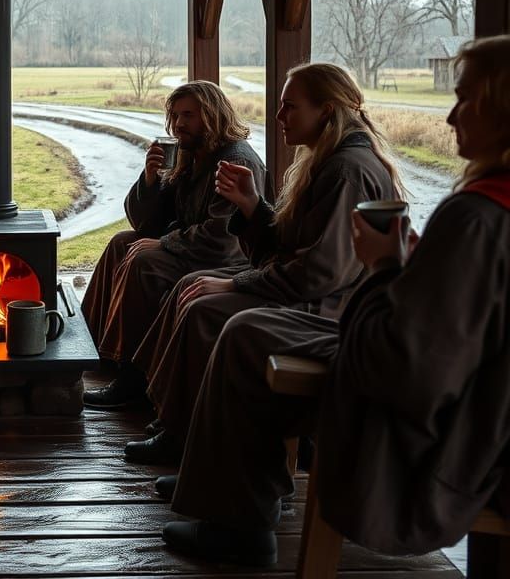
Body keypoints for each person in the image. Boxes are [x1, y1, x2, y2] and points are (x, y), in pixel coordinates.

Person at [158, 36, 510, 566]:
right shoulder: (332, 164)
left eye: (464, 98)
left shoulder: (370, 178)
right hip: (406, 358)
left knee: (237, 328)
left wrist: (385, 267)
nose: (451, 115)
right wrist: (254, 207)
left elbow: (402, 354)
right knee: (234, 324)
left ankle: (241, 519)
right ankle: (216, 481)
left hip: (388, 375)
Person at [127, 62, 402, 465]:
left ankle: (182, 434)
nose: (278, 117)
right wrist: (252, 206)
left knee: (204, 307)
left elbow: (317, 273)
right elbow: (290, 246)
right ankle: (175, 420)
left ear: (326, 111)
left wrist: (237, 284)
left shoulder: (347, 171)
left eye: (289, 107)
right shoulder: (326, 161)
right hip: (307, 292)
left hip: (329, 309)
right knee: (193, 289)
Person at [81, 81, 269, 408]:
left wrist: (163, 245)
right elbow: (146, 224)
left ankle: (134, 379)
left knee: (144, 262)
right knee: (121, 243)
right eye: (175, 115)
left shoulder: (234, 160)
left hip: (228, 258)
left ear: (212, 115)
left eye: (188, 115)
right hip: (194, 247)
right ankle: (96, 350)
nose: (179, 124)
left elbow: (223, 238)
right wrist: (150, 179)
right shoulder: (193, 155)